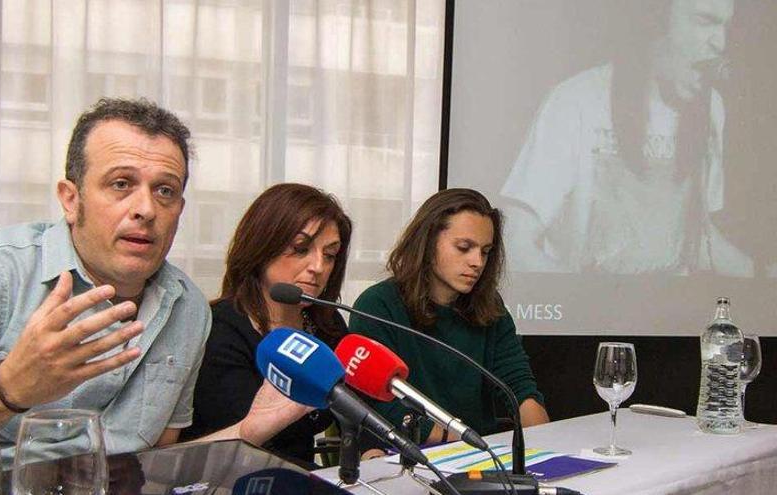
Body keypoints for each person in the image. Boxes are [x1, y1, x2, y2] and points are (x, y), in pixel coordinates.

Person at [0, 98, 308, 466]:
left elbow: (156, 461)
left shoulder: (189, 309)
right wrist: (6, 387)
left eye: (165, 191)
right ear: (70, 199)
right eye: (121, 184)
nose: (146, 208)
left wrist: (249, 430)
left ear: (180, 209)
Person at [501, 0, 752, 276]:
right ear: (656, 22)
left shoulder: (711, 107)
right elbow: (514, 244)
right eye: (705, 21)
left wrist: (762, 278)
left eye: (725, 26)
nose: (721, 43)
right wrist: (585, 303)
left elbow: (693, 241)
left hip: (670, 316)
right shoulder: (576, 101)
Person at [350, 188, 548, 457]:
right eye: (464, 248)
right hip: (407, 458)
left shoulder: (490, 307)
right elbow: (377, 407)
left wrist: (544, 445)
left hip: (477, 459)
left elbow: (520, 389)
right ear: (428, 241)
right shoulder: (377, 306)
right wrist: (462, 443)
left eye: (486, 252)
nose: (477, 262)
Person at [181, 183, 352, 467]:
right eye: (301, 248)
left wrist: (373, 451)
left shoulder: (326, 324)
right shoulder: (220, 328)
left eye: (330, 255)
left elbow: (356, 408)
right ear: (261, 246)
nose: (318, 266)